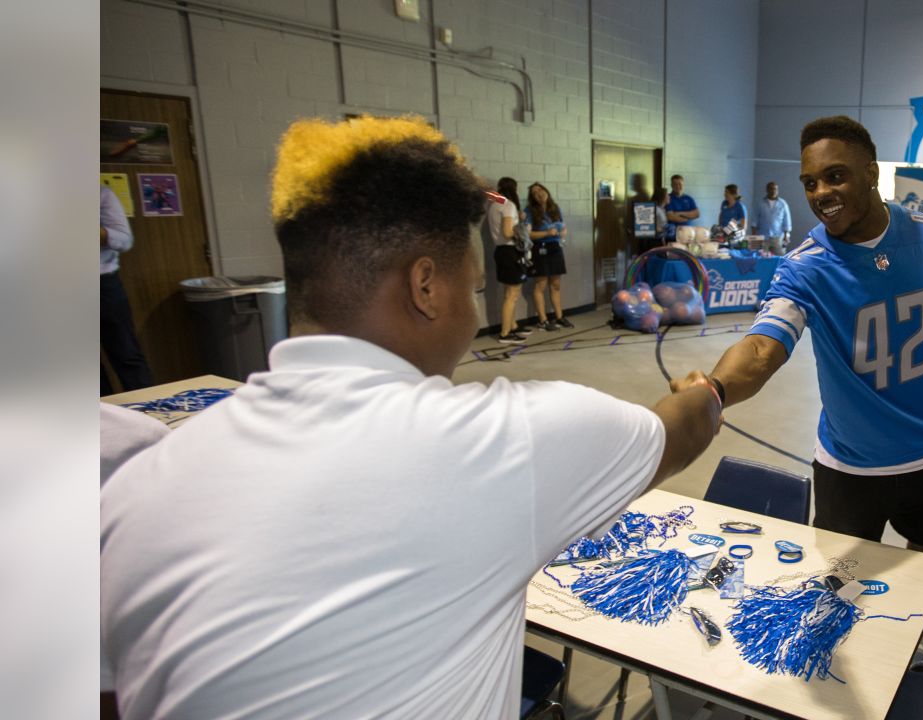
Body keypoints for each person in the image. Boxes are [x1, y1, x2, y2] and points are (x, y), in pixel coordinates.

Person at [100, 115, 723, 720]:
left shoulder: (138, 484)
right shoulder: (510, 440)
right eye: (475, 289)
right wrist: (704, 389)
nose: (474, 310)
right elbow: (682, 428)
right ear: (426, 286)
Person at [672, 115, 923, 668]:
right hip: (850, 466)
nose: (820, 194)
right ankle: (840, 647)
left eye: (835, 177)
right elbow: (764, 347)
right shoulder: (805, 267)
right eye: (810, 182)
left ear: (871, 173)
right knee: (838, 574)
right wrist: (714, 388)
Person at [100, 183, 153, 395]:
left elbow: (124, 240)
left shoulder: (101, 194)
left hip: (102, 284)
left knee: (126, 355)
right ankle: (101, 422)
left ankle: (150, 415)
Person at [525, 182, 573, 330]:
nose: (538, 193)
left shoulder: (555, 208)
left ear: (546, 191)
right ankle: (543, 320)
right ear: (532, 198)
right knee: (541, 284)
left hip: (555, 247)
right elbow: (528, 234)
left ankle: (559, 317)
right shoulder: (529, 211)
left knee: (556, 284)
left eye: (540, 189)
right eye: (534, 192)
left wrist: (563, 232)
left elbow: (562, 226)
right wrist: (546, 233)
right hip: (540, 248)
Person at [487, 176, 529, 344]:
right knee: (512, 295)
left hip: (501, 251)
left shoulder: (495, 205)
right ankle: (505, 333)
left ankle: (513, 326)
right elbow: (507, 232)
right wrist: (523, 229)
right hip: (510, 251)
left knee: (510, 294)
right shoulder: (509, 205)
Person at [753, 181, 792, 255]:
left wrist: (786, 235)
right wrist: (754, 235)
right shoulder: (760, 203)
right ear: (767, 190)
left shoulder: (783, 204)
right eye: (771, 189)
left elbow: (787, 220)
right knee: (762, 259)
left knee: (779, 259)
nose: (773, 191)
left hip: (777, 237)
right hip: (763, 236)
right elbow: (755, 219)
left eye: (775, 189)